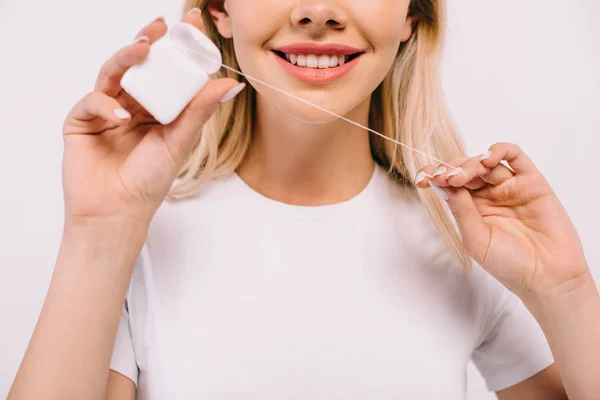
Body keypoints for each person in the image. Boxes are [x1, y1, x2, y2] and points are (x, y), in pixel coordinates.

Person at [8, 0, 599, 399]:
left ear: (411, 17)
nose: (316, 11)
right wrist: (97, 236)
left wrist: (567, 292)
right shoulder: (141, 240)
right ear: (219, 11)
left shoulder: (467, 243)